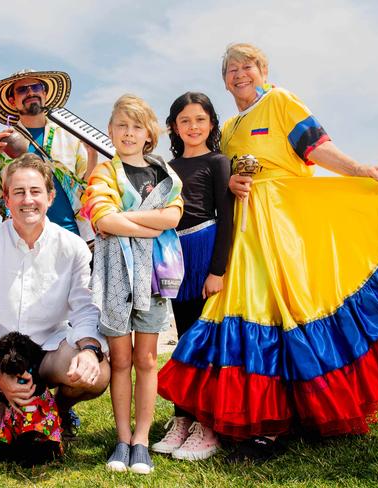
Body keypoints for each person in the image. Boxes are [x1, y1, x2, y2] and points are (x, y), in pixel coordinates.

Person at [158, 43, 378, 462]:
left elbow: (315, 146)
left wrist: (356, 171)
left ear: (263, 70)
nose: (240, 74)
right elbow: (225, 174)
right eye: (231, 69)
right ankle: (257, 418)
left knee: (290, 310)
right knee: (253, 315)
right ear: (223, 79)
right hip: (246, 233)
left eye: (247, 66)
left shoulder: (281, 101)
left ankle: (281, 420)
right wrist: (235, 186)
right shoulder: (226, 130)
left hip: (286, 226)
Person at [0, 154, 110, 467]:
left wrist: (90, 351)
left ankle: (58, 408)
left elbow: (84, 310)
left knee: (96, 376)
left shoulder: (73, 246)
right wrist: (0, 378)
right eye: (19, 192)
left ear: (50, 197)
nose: (28, 200)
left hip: (48, 352)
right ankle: (9, 411)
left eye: (36, 191)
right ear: (5, 199)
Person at [82, 94, 184, 474]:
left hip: (154, 279)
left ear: (149, 134)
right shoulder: (104, 173)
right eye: (121, 126)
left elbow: (173, 216)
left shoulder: (164, 174)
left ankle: (142, 438)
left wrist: (128, 219)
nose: (128, 133)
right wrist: (147, 223)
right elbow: (103, 218)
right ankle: (122, 437)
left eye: (136, 126)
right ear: (110, 131)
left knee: (145, 359)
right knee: (121, 359)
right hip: (115, 278)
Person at [151, 92, 234, 461]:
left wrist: (217, 270)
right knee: (185, 341)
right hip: (175, 255)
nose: (193, 127)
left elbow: (228, 218)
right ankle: (182, 418)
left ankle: (208, 424)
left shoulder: (219, 162)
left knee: (206, 342)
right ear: (173, 126)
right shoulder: (166, 167)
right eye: (185, 120)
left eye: (200, 119)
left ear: (211, 123)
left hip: (206, 249)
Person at [0, 69, 97, 240]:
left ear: (45, 93)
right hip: (20, 240)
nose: (31, 92)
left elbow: (87, 188)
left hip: (72, 237)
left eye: (36, 87)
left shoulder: (69, 136)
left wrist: (93, 155)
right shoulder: (1, 142)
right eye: (22, 90)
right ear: (12, 101)